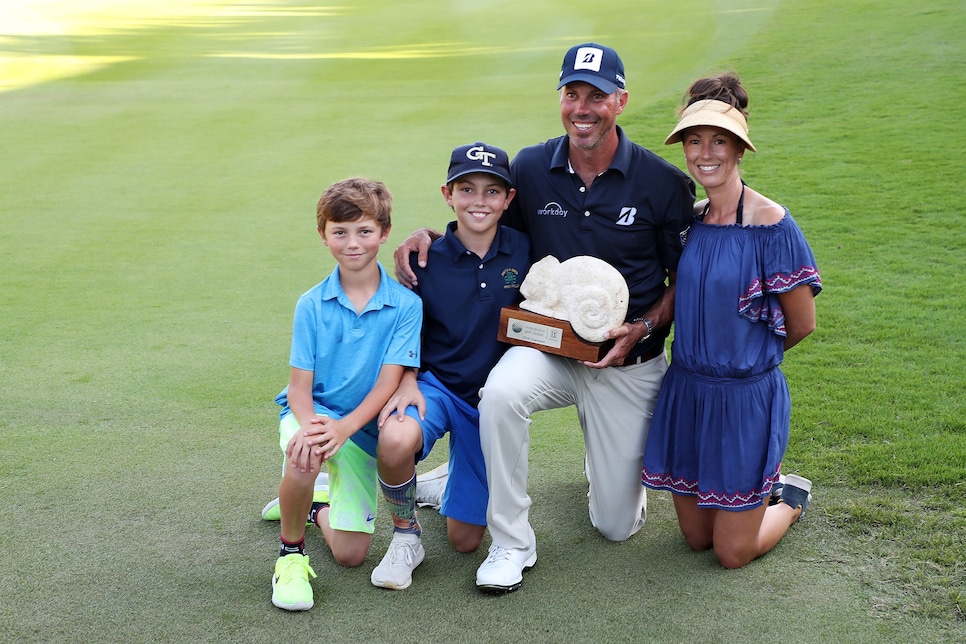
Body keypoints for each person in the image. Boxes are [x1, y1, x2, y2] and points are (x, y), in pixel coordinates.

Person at [394, 43, 695, 593]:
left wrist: (645, 328)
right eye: (572, 93)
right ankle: (512, 543)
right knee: (502, 393)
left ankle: (602, 465)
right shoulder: (532, 167)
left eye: (597, 96)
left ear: (621, 101)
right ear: (561, 98)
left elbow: (683, 279)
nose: (583, 107)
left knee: (615, 527)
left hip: (628, 362)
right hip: (550, 350)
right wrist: (431, 239)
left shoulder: (662, 183)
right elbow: (482, 215)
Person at [641, 73, 822, 569]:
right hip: (688, 392)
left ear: (739, 148)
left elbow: (801, 323)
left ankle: (788, 498)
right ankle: (749, 493)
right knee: (696, 539)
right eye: (694, 141)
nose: (705, 153)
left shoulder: (772, 224)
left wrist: (747, 361)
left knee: (731, 552)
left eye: (719, 141)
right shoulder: (693, 219)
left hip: (745, 399)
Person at [370, 142, 531, 590]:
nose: (479, 201)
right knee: (396, 438)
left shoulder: (526, 249)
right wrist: (406, 380)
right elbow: (406, 334)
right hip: (438, 387)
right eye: (466, 189)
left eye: (492, 191)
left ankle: (444, 483)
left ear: (508, 199)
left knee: (465, 541)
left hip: (492, 402)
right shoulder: (423, 260)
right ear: (448, 194)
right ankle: (406, 536)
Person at [269, 177, 422, 611]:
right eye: (340, 232)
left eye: (364, 231)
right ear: (324, 236)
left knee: (352, 555)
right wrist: (317, 426)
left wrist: (346, 427)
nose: (352, 243)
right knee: (306, 450)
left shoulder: (407, 306)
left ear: (384, 232)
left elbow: (388, 382)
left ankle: (314, 505)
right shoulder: (311, 304)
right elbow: (299, 388)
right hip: (316, 413)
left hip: (359, 430)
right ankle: (291, 554)